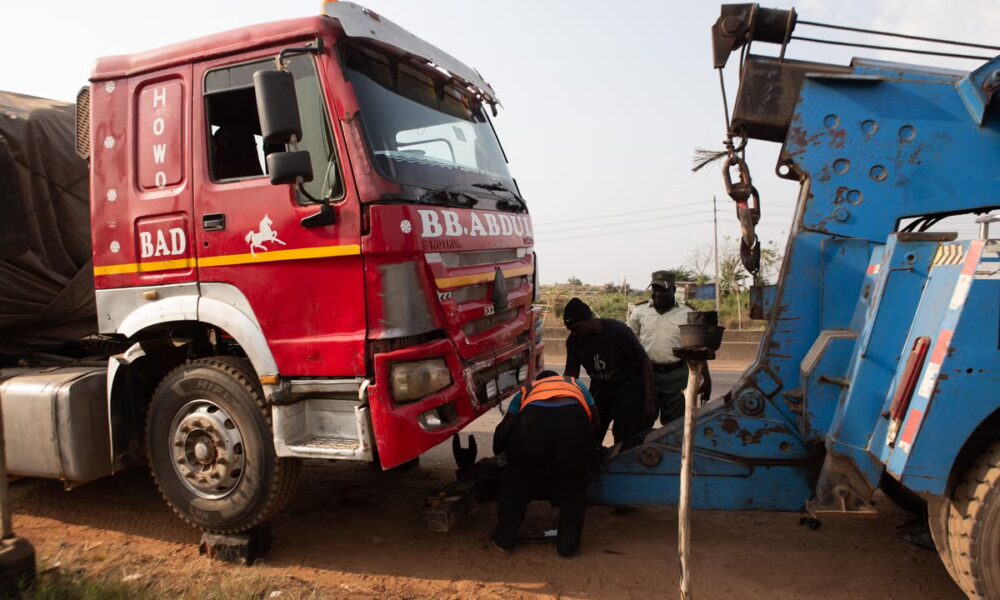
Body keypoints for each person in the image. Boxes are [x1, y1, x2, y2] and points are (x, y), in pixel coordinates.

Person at [491, 370, 600, 558]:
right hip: (573, 422)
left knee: (517, 483)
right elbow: (596, 422)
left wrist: (501, 451)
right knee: (573, 487)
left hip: (533, 423)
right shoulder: (575, 383)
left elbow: (506, 426)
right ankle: (567, 547)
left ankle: (502, 541)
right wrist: (586, 448)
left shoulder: (528, 389)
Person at [562, 298, 654, 444]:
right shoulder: (574, 342)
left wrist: (649, 401)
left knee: (624, 434)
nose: (574, 333)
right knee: (590, 431)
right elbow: (571, 375)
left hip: (628, 387)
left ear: (589, 320)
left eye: (577, 328)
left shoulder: (618, 331)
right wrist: (564, 401)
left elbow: (644, 363)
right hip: (601, 388)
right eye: (570, 330)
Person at [627, 271, 711, 425]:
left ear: (673, 290)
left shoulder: (687, 313)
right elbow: (627, 341)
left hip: (677, 376)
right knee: (641, 421)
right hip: (648, 375)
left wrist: (706, 378)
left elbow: (698, 348)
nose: (657, 294)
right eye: (655, 290)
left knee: (675, 425)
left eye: (663, 290)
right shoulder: (640, 312)